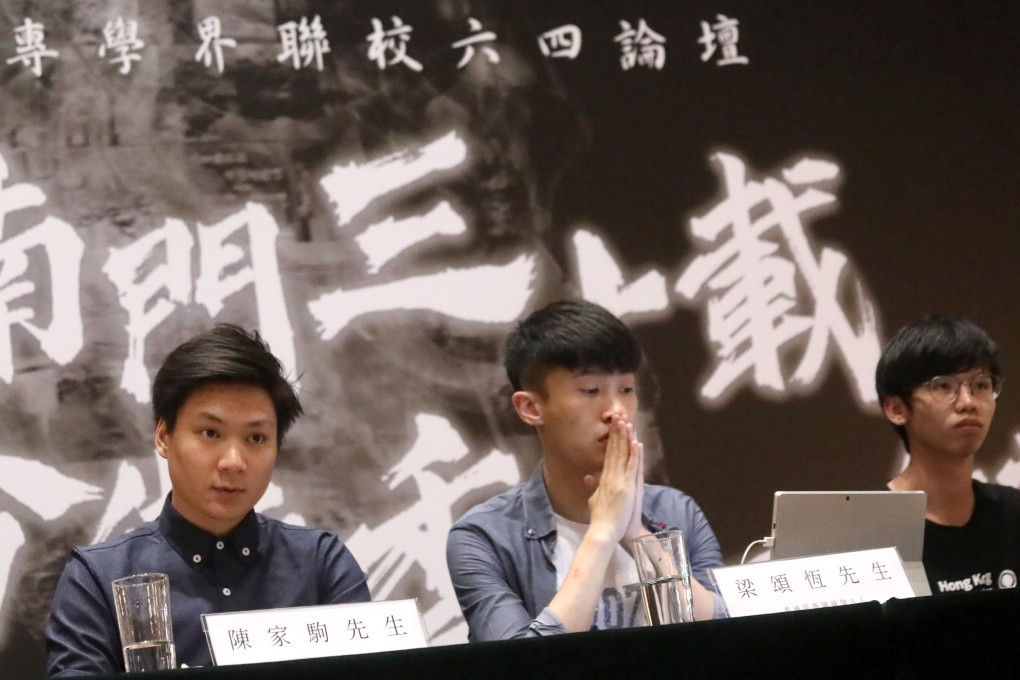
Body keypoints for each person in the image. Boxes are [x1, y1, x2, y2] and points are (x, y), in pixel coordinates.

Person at [45, 324, 370, 675]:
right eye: (210, 432)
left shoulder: (322, 565)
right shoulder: (98, 578)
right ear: (164, 436)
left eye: (256, 438)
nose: (233, 461)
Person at [446, 299, 724, 641]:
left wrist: (635, 532)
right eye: (591, 391)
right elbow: (516, 667)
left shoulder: (676, 511)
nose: (616, 411)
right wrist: (602, 533)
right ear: (531, 407)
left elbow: (725, 633)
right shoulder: (485, 537)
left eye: (626, 390)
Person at [877, 315, 1020, 594]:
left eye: (981, 385)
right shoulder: (868, 528)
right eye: (943, 386)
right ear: (896, 409)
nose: (968, 403)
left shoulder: (1013, 515)